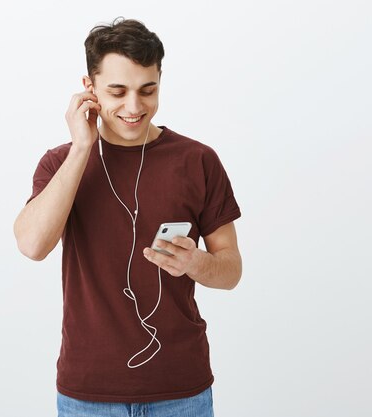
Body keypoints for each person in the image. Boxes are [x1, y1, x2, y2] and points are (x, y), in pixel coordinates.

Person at [13, 17, 242, 417]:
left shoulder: (198, 160)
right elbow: (32, 245)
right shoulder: (59, 163)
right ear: (89, 88)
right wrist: (82, 148)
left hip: (181, 393)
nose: (135, 107)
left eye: (147, 90)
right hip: (88, 395)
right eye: (117, 92)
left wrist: (194, 262)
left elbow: (231, 271)